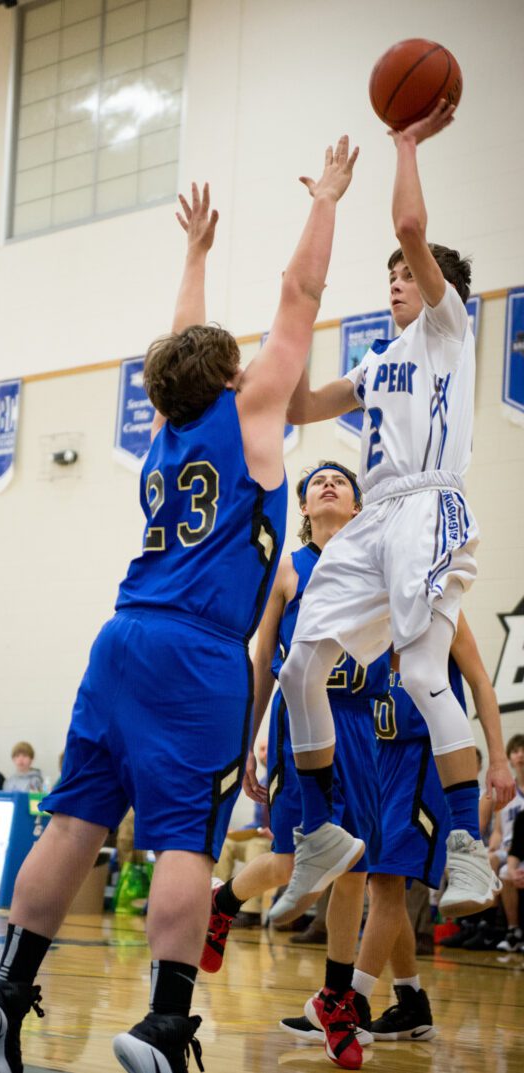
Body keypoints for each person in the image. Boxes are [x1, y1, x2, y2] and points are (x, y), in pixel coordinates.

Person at [0, 140, 359, 1073]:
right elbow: (300, 295)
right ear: (229, 377)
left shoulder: (170, 427)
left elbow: (181, 342)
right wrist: (327, 200)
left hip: (122, 637)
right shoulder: (250, 414)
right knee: (185, 838)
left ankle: (5, 989)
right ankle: (164, 1025)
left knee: (73, 821)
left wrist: (194, 255)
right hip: (198, 650)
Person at [270, 100, 501, 926]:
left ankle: (468, 843)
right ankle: (320, 831)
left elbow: (409, 224)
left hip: (428, 501)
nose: (397, 279)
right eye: (393, 275)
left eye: (408, 272)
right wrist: (299, 305)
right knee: (301, 665)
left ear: (439, 288)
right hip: (374, 520)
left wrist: (405, 144)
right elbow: (298, 405)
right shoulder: (377, 362)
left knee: (424, 673)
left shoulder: (447, 328)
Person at [201, 461, 390, 1070]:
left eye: (341, 481)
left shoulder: (379, 564)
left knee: (354, 867)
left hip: (358, 724)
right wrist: (248, 739)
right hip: (298, 721)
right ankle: (223, 902)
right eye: (316, 483)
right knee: (290, 860)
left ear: (358, 506)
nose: (328, 485)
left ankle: (335, 1000)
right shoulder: (287, 569)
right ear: (304, 507)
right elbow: (262, 663)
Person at [279, 613, 513, 1062]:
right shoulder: (373, 607)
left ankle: (350, 1002)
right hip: (380, 755)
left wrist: (498, 760)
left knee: (386, 882)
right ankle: (411, 1002)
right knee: (379, 882)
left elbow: (481, 683)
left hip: (427, 758)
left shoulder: (439, 605)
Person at [210, 737, 271, 927]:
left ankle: (250, 912)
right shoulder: (262, 781)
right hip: (262, 835)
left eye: (267, 749)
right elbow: (258, 822)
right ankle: (216, 902)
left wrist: (277, 834)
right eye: (261, 749)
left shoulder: (287, 779)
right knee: (226, 845)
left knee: (257, 845)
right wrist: (237, 832)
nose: (264, 754)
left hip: (280, 841)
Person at [490, 734, 524, 951]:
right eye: (515, 751)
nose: (520, 755)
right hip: (507, 849)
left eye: (523, 750)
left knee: (505, 871)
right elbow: (497, 831)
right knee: (489, 859)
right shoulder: (505, 792)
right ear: (510, 758)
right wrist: (492, 845)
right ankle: (494, 924)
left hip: (520, 852)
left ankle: (501, 925)